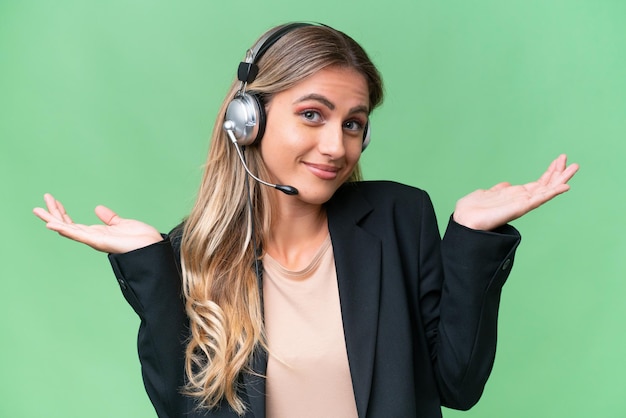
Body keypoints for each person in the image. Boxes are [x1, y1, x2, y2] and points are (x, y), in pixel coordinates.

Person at [33, 22, 579, 418]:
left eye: (352, 123)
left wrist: (470, 239)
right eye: (312, 114)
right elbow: (187, 411)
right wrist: (150, 267)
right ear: (246, 120)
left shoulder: (398, 218)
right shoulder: (192, 253)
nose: (336, 145)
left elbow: (457, 385)